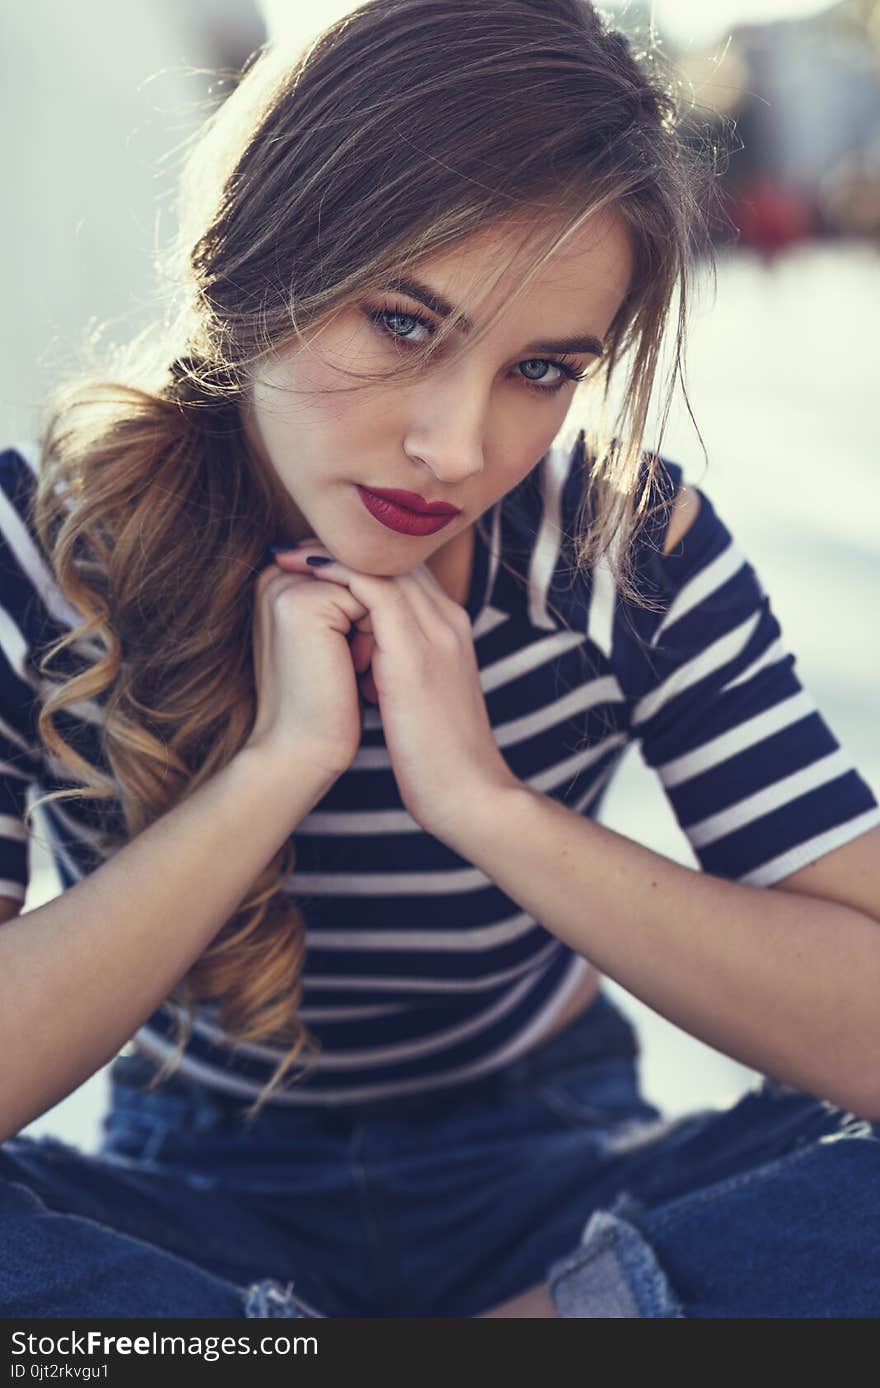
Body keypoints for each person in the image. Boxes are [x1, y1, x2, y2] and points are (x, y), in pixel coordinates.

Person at [1, 0, 878, 1320]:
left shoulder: (617, 547)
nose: (460, 451)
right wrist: (273, 774)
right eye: (404, 324)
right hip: (190, 1211)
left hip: (562, 1183)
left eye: (541, 368)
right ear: (253, 262)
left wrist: (484, 804)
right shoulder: (46, 548)